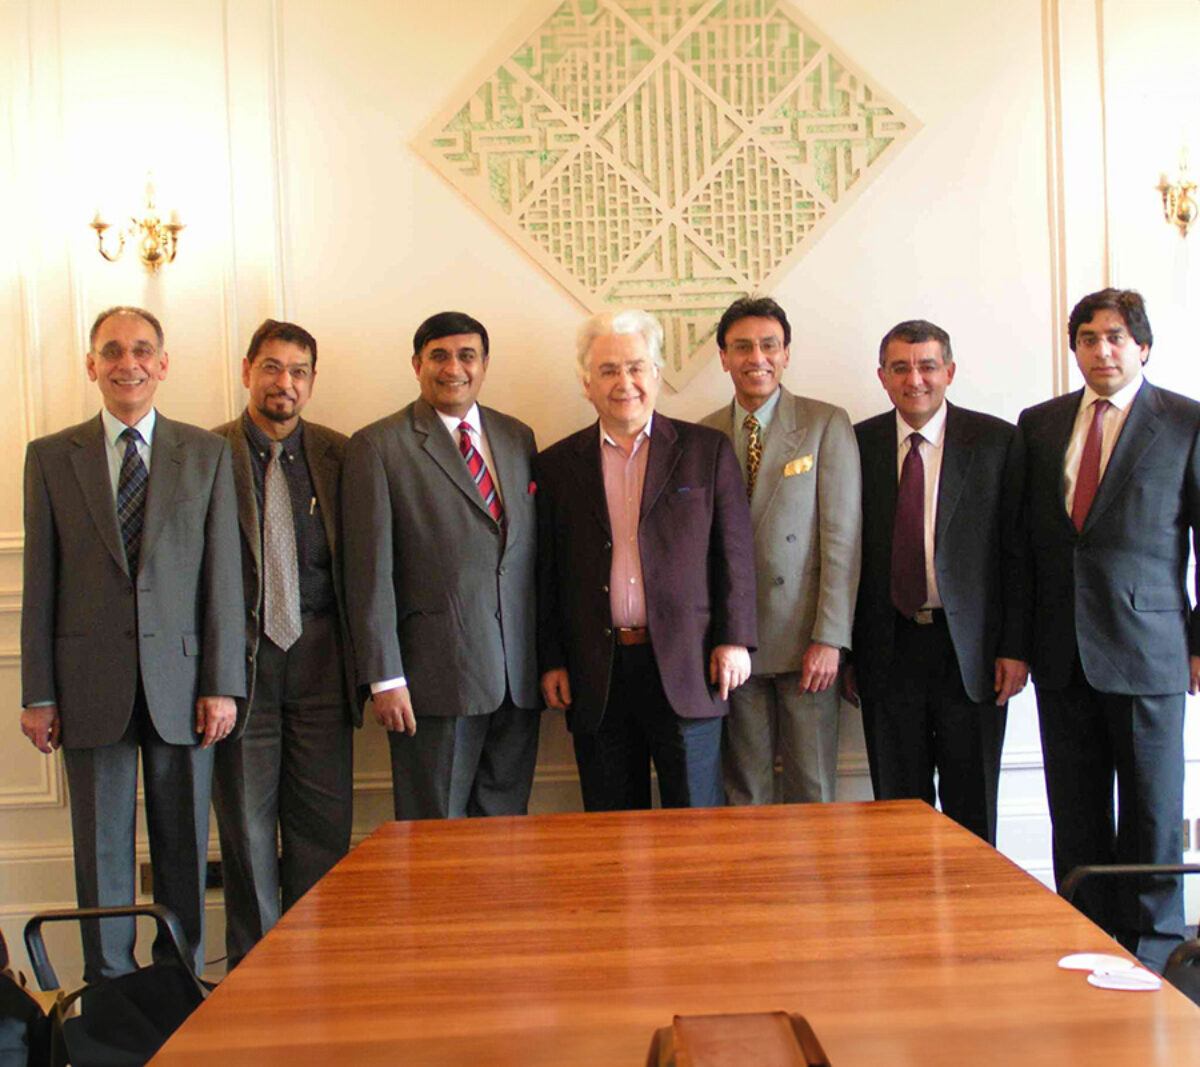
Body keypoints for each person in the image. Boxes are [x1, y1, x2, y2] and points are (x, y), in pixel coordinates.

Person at [20, 306, 244, 979]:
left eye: (142, 350)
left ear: (163, 363)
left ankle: (179, 984)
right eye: (112, 351)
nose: (128, 363)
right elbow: (40, 581)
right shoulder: (50, 457)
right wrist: (38, 693)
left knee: (183, 848)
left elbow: (222, 578)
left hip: (185, 688)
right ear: (91, 365)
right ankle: (111, 993)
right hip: (89, 688)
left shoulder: (206, 453)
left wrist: (222, 683)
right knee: (102, 854)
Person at [1007, 288, 1200, 971]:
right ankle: (1087, 940)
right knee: (1076, 812)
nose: (1102, 349)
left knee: (1151, 811)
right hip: (1061, 653)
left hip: (1151, 651)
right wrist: (1015, 645)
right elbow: (1023, 547)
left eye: (1116, 336)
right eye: (1088, 338)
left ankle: (1155, 950)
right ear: (1075, 349)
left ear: (1142, 346)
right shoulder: (1039, 424)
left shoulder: (1185, 422)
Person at [536, 309, 757, 810]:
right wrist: (552, 659)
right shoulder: (556, 465)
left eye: (636, 367)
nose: (625, 382)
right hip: (597, 672)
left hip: (690, 665)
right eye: (608, 370)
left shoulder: (706, 451)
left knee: (696, 825)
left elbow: (735, 553)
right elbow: (547, 572)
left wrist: (735, 639)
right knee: (613, 827)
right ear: (587, 384)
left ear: (656, 374)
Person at [342, 311, 540, 819]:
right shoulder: (378, 446)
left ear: (485, 364)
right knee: (434, 833)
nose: (454, 368)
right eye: (439, 356)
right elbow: (368, 575)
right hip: (431, 682)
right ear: (417, 365)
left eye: (467, 356)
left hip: (517, 681)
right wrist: (384, 679)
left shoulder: (517, 436)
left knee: (505, 834)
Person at [211, 319, 358, 968]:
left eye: (298, 371)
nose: (285, 383)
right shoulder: (206, 453)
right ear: (247, 371)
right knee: (245, 832)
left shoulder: (342, 455)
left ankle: (317, 968)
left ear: (312, 381)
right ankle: (253, 975)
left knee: (322, 828)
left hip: (324, 664)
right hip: (242, 670)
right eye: (272, 367)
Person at [846, 320, 1026, 845]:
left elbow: (1017, 553)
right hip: (887, 650)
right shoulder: (856, 443)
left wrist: (1015, 648)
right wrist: (847, 650)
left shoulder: (996, 441)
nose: (915, 379)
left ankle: (975, 899)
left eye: (927, 366)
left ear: (950, 371)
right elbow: (842, 553)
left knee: (974, 810)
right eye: (900, 368)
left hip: (971, 654)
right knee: (898, 813)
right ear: (882, 376)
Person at [701, 296, 861, 804]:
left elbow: (842, 540)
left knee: (812, 788)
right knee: (744, 791)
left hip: (805, 642)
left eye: (769, 345)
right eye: (742, 347)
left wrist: (830, 638)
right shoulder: (701, 435)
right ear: (723, 357)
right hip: (733, 642)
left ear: (786, 353)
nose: (757, 358)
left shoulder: (824, 423)